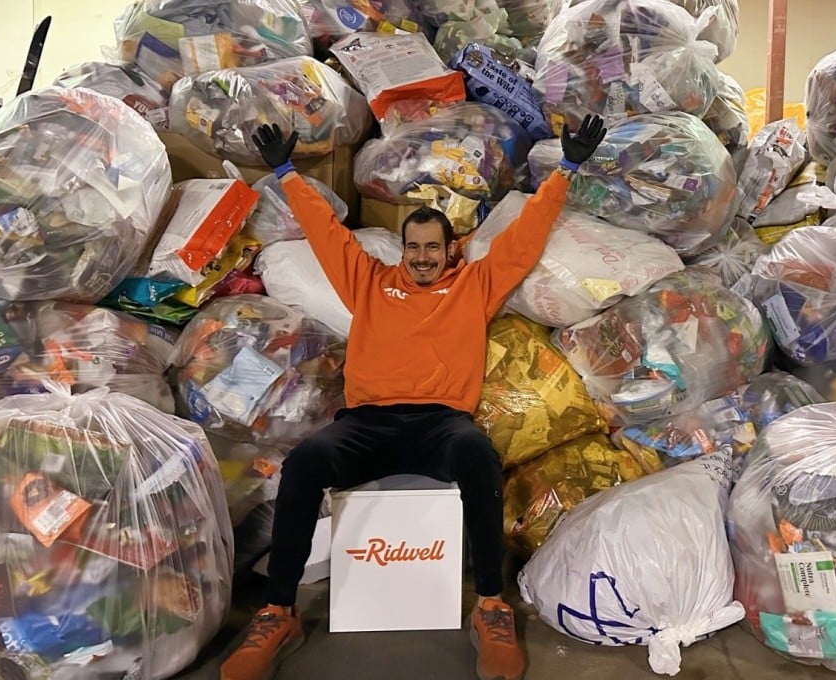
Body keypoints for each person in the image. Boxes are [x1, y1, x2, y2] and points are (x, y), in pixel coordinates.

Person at [221, 114, 607, 680]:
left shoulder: (474, 286)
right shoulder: (371, 282)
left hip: (441, 425)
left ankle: (492, 606)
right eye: (414, 247)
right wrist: (285, 172)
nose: (423, 256)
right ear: (402, 249)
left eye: (433, 247)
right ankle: (279, 611)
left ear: (451, 249)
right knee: (306, 461)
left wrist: (566, 170)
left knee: (476, 453)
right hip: (366, 425)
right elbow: (327, 234)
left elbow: (524, 241)